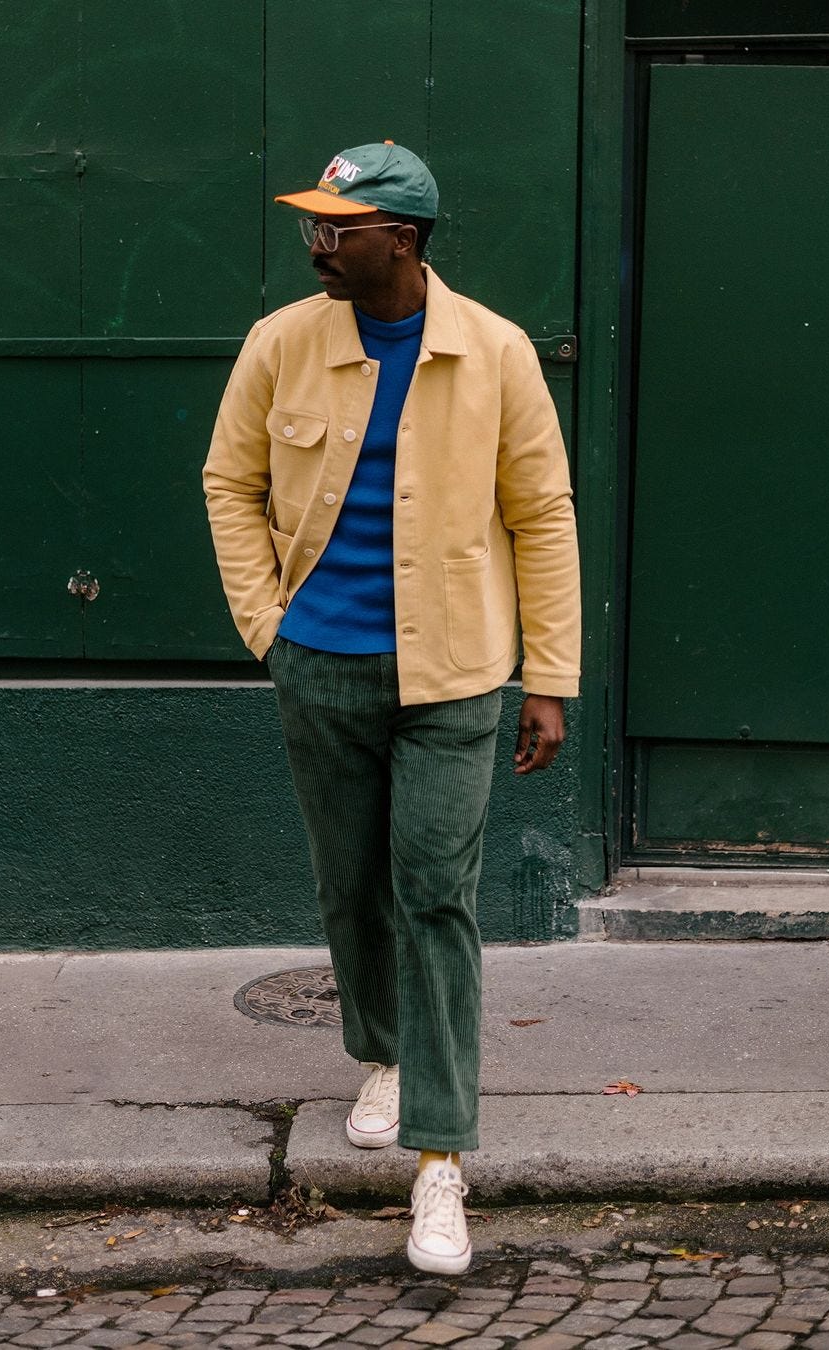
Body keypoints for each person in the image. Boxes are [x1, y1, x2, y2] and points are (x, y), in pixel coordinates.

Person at [203, 140, 580, 1274]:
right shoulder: (282, 344)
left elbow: (544, 515)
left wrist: (550, 677)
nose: (315, 244)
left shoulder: (494, 352)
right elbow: (230, 481)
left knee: (437, 898)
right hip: (319, 663)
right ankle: (383, 1050)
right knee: (351, 883)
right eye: (313, 225)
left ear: (401, 243)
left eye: (337, 229)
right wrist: (266, 625)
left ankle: (442, 1165)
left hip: (456, 677)